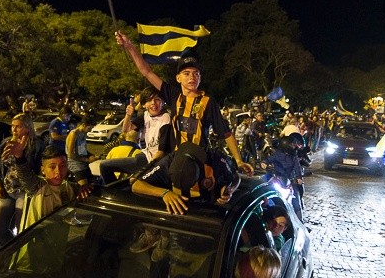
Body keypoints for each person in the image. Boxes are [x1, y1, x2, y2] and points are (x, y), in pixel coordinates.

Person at [115, 31, 253, 177]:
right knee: (138, 182)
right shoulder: (174, 95)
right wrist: (130, 46)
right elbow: (146, 71)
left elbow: (226, 133)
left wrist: (239, 161)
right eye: (186, 73)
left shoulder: (208, 102)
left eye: (196, 73)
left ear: (200, 78)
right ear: (178, 78)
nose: (192, 77)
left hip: (199, 160)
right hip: (176, 158)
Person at [0, 143, 92, 233]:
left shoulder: (69, 187)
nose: (58, 172)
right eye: (52, 167)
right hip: (32, 244)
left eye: (62, 166)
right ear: (43, 169)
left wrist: (83, 188)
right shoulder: (37, 186)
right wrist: (19, 157)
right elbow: (25, 175)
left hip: (58, 245)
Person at [99, 87, 173, 185]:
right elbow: (126, 129)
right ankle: (115, 193)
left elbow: (161, 152)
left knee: (134, 183)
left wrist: (141, 172)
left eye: (157, 99)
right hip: (145, 156)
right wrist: (128, 115)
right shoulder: (146, 115)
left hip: (157, 163)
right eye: (149, 100)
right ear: (144, 104)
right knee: (104, 166)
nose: (153, 103)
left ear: (162, 102)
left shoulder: (165, 119)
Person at [0, 113, 45, 244]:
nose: (14, 130)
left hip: (24, 191)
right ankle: (9, 249)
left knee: (22, 227)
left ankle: (21, 251)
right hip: (7, 188)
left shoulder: (37, 144)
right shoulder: (6, 142)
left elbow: (38, 168)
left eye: (18, 127)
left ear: (28, 127)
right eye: (12, 126)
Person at [65, 118, 98, 186]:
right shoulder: (74, 134)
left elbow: (82, 150)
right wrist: (87, 159)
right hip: (75, 164)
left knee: (93, 183)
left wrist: (92, 155)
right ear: (83, 125)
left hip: (83, 163)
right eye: (89, 128)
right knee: (84, 187)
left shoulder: (84, 133)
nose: (90, 130)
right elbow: (70, 155)